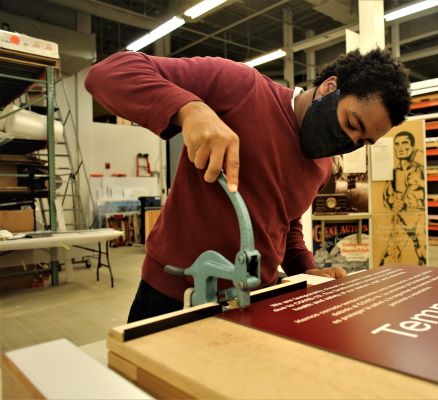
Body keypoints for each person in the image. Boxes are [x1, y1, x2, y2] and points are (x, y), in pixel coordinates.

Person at [85, 48, 411, 322]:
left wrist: (308, 270)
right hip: (174, 295)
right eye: (352, 123)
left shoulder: (322, 166)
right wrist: (190, 109)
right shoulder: (241, 87)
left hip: (254, 301)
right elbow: (108, 72)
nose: (350, 141)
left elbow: (285, 224)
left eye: (362, 140)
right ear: (329, 88)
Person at [378, 131, 426, 266]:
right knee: (390, 253)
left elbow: (427, 188)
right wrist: (392, 202)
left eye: (405, 143)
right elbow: (387, 196)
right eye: (397, 144)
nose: (401, 148)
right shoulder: (395, 172)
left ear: (412, 147)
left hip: (418, 218)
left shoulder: (420, 170)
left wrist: (419, 182)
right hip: (400, 218)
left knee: (422, 252)